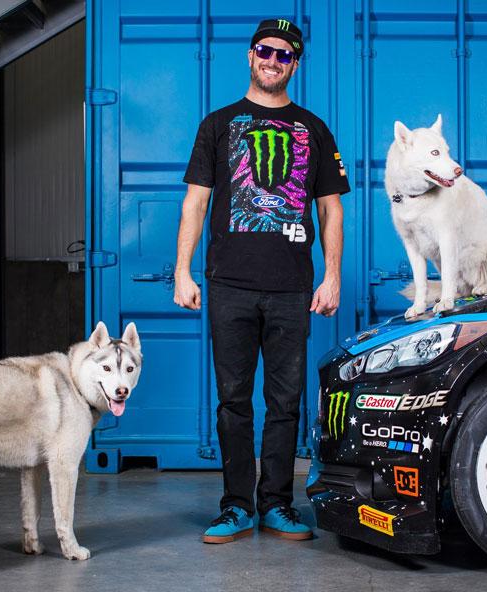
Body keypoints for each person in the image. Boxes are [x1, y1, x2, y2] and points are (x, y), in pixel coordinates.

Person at [174, 18, 350, 544]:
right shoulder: (217, 124)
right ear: (250, 55)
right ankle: (235, 507)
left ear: (295, 64)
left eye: (284, 54)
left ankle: (277, 505)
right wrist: (182, 271)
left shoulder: (314, 128)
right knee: (232, 401)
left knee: (285, 402)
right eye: (265, 51)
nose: (273, 61)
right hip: (229, 283)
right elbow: (195, 202)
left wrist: (332, 276)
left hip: (291, 287)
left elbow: (330, 209)